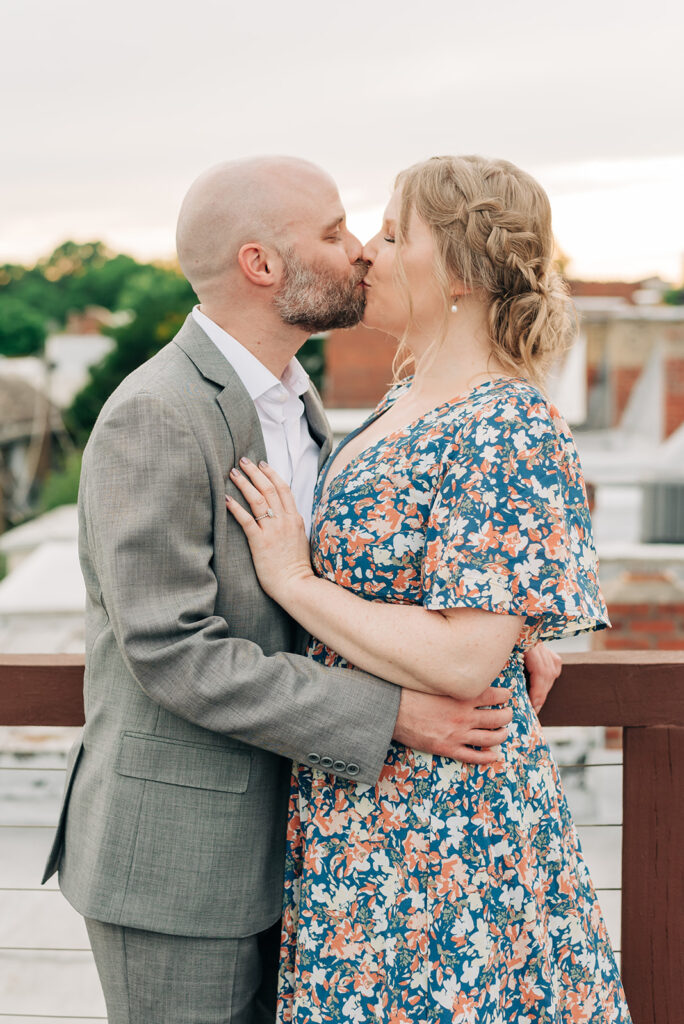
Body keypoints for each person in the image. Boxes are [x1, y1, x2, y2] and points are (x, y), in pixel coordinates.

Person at [41, 156, 559, 1024]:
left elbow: (336, 574)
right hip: (179, 864)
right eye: (333, 232)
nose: (360, 251)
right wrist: (389, 710)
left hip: (306, 851)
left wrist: (495, 626)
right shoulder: (157, 413)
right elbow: (173, 650)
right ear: (262, 266)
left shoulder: (300, 401)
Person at [226, 156, 632, 1022]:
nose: (367, 254)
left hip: (445, 832)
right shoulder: (402, 398)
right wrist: (515, 628)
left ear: (454, 270)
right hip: (358, 808)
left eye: (391, 232)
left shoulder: (506, 423)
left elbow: (459, 658)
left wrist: (293, 579)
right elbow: (446, 596)